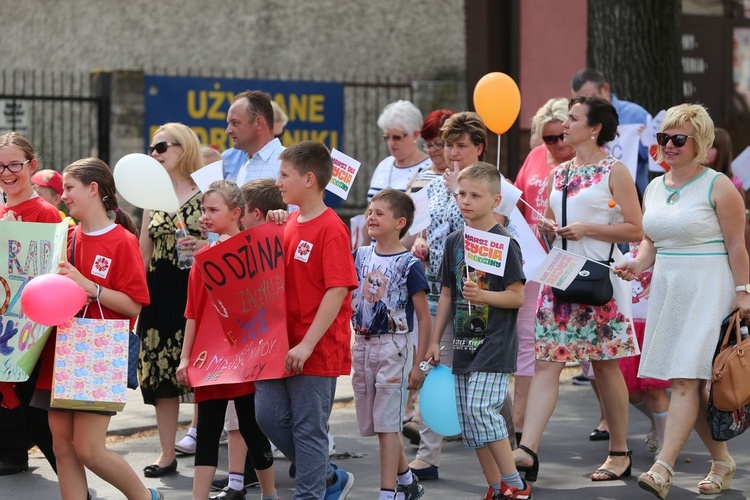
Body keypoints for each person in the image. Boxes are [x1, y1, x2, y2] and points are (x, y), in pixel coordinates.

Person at [615, 103, 750, 498]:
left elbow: (736, 246)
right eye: (663, 138)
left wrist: (743, 292)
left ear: (700, 142)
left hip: (709, 286)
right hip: (669, 289)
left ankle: (662, 467)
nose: (668, 146)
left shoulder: (718, 185)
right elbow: (650, 241)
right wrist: (636, 264)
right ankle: (722, 460)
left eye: (678, 139)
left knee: (687, 381)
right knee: (690, 385)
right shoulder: (655, 186)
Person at [513, 95, 642, 482]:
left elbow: (636, 228)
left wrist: (589, 229)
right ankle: (528, 449)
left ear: (595, 128)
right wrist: (547, 228)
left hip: (599, 277)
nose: (564, 125)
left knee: (605, 367)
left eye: (572, 119)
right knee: (546, 363)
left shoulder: (614, 171)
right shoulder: (561, 172)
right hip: (560, 276)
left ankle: (619, 451)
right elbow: (549, 221)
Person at [34, 157, 162, 500]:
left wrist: (91, 287)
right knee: (62, 448)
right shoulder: (67, 235)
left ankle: (146, 497)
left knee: (89, 449)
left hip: (97, 353)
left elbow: (134, 305)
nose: (63, 198)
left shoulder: (121, 240)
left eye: (69, 189)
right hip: (59, 351)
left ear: (93, 189)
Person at [402, 112, 513, 489]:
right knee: (451, 372)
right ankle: (431, 454)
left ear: (479, 148)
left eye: (460, 145)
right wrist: (417, 242)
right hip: (439, 289)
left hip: (479, 299)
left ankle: (506, 455)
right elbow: (425, 232)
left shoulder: (491, 186)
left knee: (478, 381)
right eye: (446, 144)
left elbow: (489, 231)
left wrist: (456, 190)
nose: (450, 152)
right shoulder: (433, 184)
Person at [258, 141, 358, 500]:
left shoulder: (331, 228)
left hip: (315, 348)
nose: (278, 182)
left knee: (308, 429)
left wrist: (308, 344)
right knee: (267, 415)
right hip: (280, 345)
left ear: (310, 179)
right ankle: (329, 477)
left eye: (285, 175)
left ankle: (312, 493)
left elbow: (337, 291)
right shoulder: (288, 222)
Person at [426, 162, 528, 499]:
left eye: (475, 195)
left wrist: (483, 295)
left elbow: (517, 296)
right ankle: (495, 485)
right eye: (461, 194)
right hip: (463, 341)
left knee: (482, 410)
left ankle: (515, 484)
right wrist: (433, 341)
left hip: (495, 343)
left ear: (495, 200)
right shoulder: (456, 241)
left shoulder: (505, 243)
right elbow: (445, 294)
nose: (465, 201)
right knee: (469, 423)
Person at [176, 180, 277, 500]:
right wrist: (185, 358)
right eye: (203, 210)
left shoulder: (254, 251)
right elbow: (192, 312)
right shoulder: (202, 258)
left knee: (251, 426)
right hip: (211, 359)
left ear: (236, 213)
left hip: (246, 357)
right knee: (207, 430)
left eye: (213, 210)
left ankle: (269, 494)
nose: (205, 216)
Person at [210, 177, 288, 495]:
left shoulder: (271, 240)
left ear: (253, 213)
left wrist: (280, 220)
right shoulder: (228, 243)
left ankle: (270, 490)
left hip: (260, 348)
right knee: (235, 423)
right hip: (232, 346)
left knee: (253, 422)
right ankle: (236, 482)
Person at [351, 188, 430, 500]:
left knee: (387, 426)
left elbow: (424, 317)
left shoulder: (409, 264)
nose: (371, 216)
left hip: (393, 348)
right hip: (362, 345)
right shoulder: (360, 256)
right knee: (380, 423)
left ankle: (388, 493)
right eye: (370, 211)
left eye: (379, 213)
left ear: (400, 222)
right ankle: (407, 481)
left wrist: (421, 362)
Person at [137, 122, 204, 477]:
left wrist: (205, 245)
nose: (154, 154)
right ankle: (167, 453)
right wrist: (138, 298)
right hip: (160, 292)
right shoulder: (152, 195)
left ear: (183, 147)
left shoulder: (205, 190)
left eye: (161, 147)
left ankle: (205, 445)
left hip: (197, 289)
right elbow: (142, 252)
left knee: (203, 373)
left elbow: (229, 238)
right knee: (161, 375)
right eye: (152, 148)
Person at [511, 97, 575, 443]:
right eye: (549, 138)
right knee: (526, 341)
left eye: (562, 136)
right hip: (533, 260)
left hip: (570, 260)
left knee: (588, 353)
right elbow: (519, 202)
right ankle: (519, 425)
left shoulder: (582, 165)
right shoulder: (536, 158)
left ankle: (611, 422)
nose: (558, 144)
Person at [0, 133, 61, 478]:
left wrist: (13, 239)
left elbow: (48, 275)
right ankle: (13, 454)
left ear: (31, 166)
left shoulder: (47, 214)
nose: (7, 172)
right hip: (6, 324)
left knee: (38, 419)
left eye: (14, 165)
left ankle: (76, 485)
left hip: (32, 331)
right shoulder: (3, 209)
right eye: (0, 166)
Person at [617, 242, 669, 455]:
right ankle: (660, 421)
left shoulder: (663, 240)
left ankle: (666, 447)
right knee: (628, 390)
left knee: (655, 389)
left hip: (654, 323)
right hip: (629, 323)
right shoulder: (622, 243)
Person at [570, 68, 650, 195]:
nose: (587, 107)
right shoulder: (574, 123)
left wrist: (648, 143)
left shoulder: (636, 116)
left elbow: (658, 161)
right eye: (580, 102)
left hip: (632, 195)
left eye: (591, 99)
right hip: (590, 195)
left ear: (605, 89)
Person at [367, 100, 431, 202]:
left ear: (415, 135)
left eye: (397, 137)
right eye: (387, 137)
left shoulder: (430, 167)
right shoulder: (384, 165)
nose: (391, 143)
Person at [223, 91, 285, 184]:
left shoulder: (286, 163)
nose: (228, 131)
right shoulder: (245, 165)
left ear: (259, 122)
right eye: (229, 123)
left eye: (235, 123)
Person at [408, 109, 455, 194]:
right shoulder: (422, 170)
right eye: (429, 145)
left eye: (438, 144)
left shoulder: (459, 175)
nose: (433, 150)